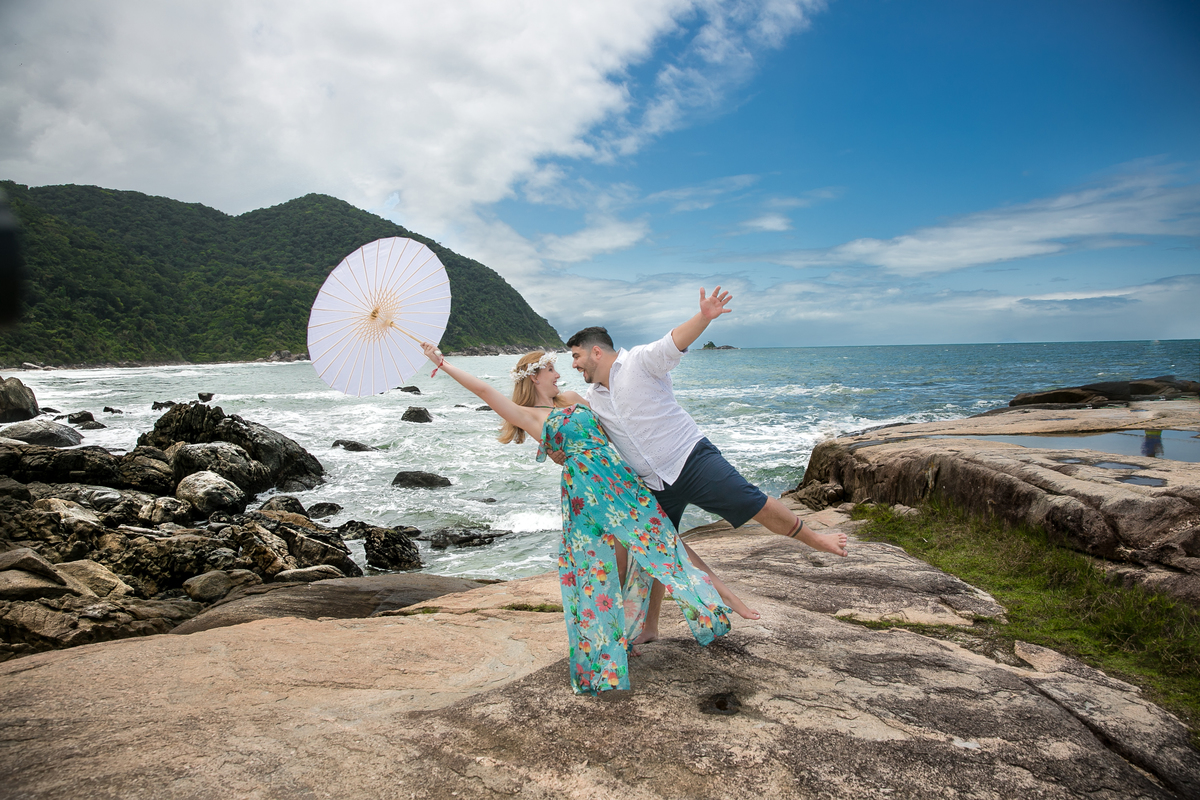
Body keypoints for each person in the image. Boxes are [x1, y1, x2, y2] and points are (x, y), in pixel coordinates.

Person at [419, 341, 752, 696]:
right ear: (534, 378)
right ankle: (611, 649)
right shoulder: (529, 415)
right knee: (602, 570)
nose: (558, 374)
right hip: (584, 493)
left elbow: (619, 425)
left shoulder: (574, 398)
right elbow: (485, 391)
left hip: (619, 479)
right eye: (551, 370)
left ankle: (722, 601)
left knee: (659, 537)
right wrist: (444, 363)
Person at [563, 287, 849, 644]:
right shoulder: (594, 399)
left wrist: (704, 316)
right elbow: (579, 430)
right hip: (652, 483)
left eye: (576, 356)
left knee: (754, 503)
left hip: (691, 460)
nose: (574, 364)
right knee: (659, 552)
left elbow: (674, 341)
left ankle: (817, 539)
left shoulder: (640, 361)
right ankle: (651, 627)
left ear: (596, 351)